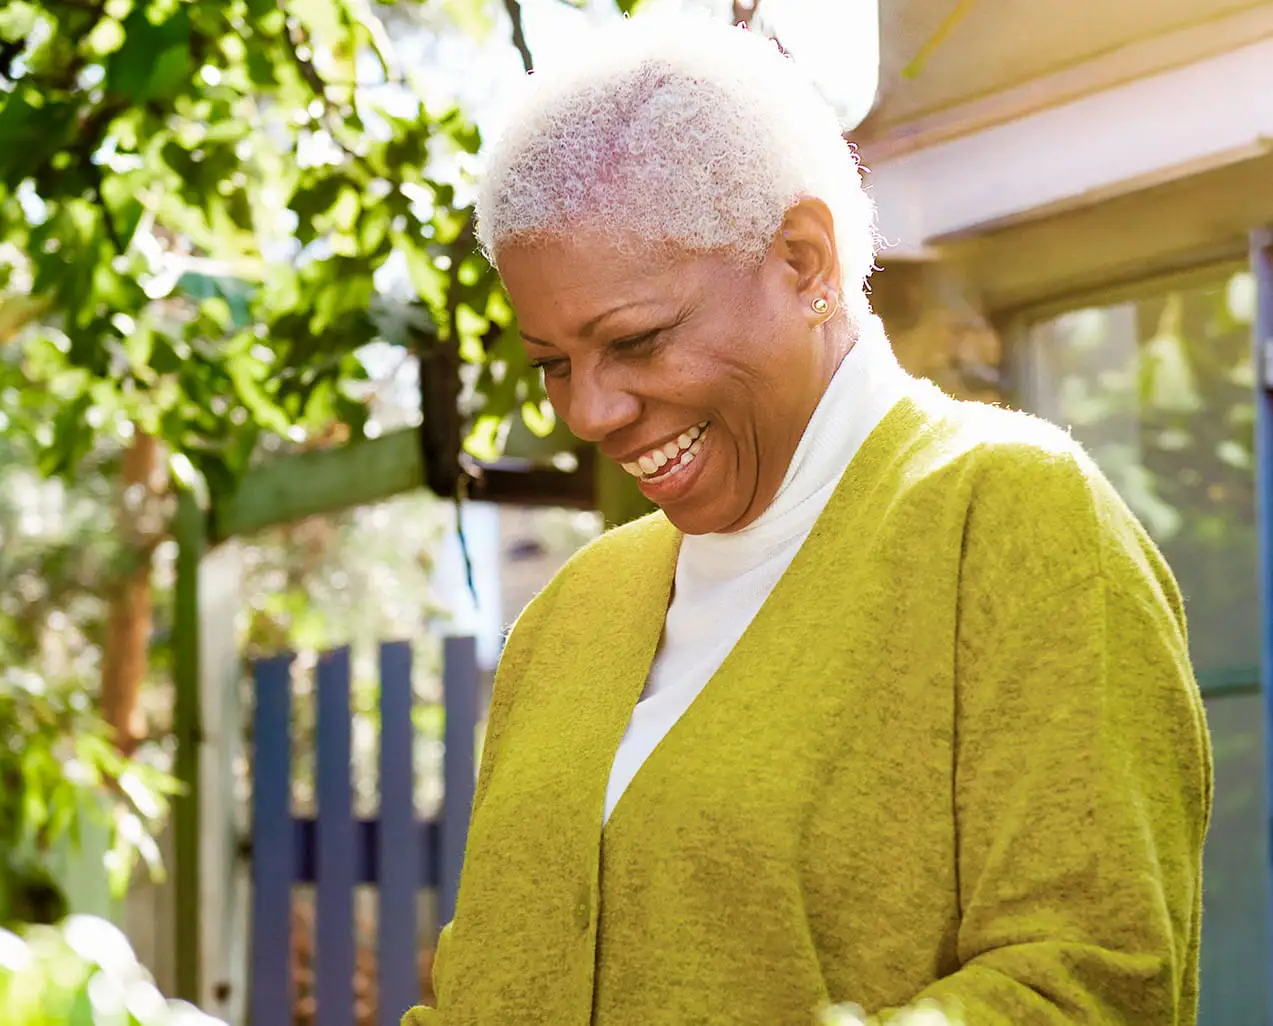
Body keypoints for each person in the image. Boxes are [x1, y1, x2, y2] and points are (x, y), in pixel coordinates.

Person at [403, 14, 1212, 1026]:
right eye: (552, 363)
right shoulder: (571, 616)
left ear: (803, 261)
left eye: (638, 341)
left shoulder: (1009, 520)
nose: (589, 412)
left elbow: (1092, 980)